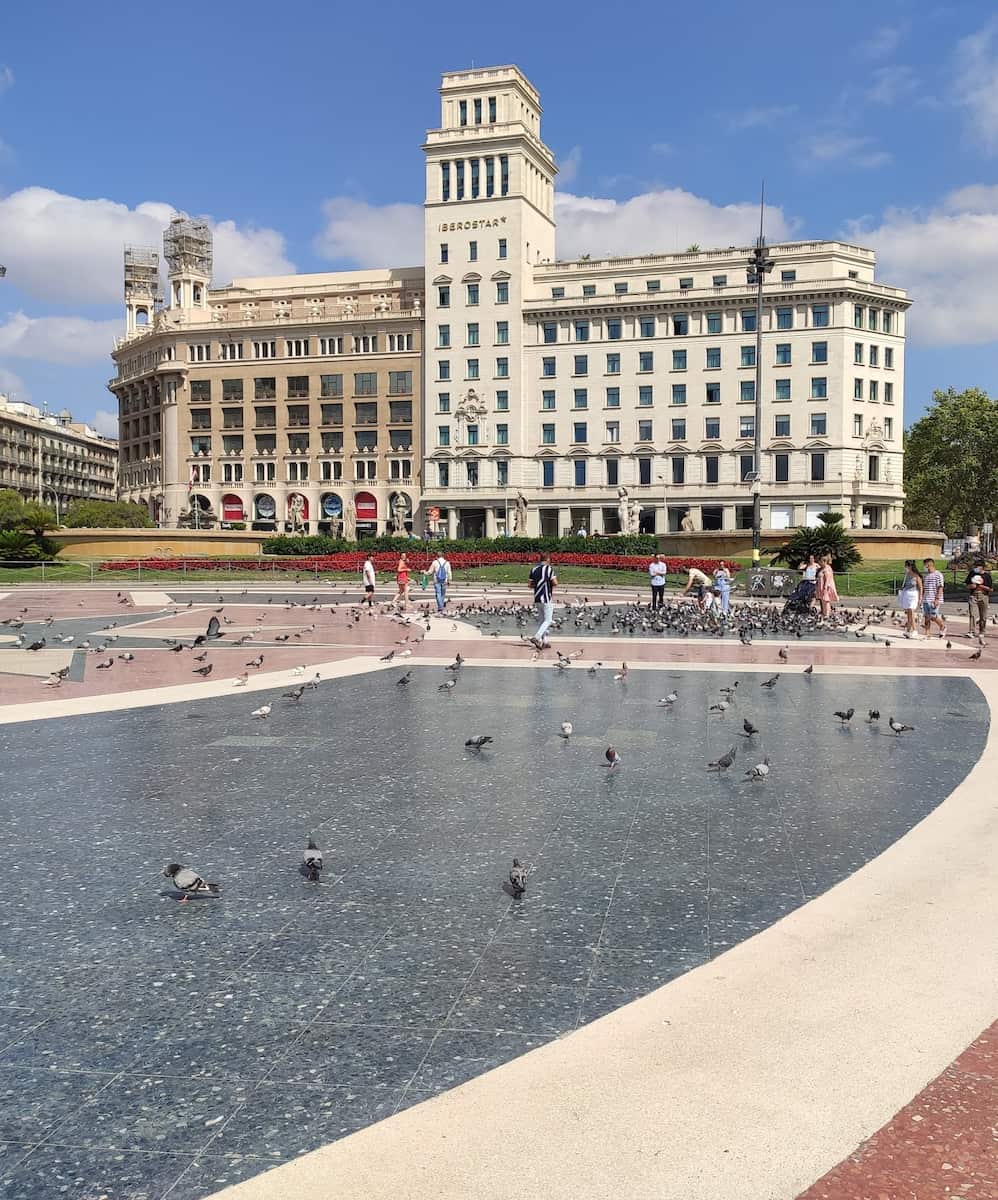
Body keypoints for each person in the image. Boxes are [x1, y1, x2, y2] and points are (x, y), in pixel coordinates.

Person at [529, 551, 557, 648]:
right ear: (548, 559)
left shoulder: (533, 569)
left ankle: (544, 641)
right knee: (548, 620)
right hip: (546, 598)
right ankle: (536, 637)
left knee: (542, 621)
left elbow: (530, 585)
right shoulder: (549, 569)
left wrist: (538, 584)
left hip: (537, 598)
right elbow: (555, 582)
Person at [964, 559, 993, 638]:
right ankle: (971, 631)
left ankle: (982, 631)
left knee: (983, 615)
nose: (976, 568)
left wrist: (981, 586)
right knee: (972, 614)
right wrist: (971, 586)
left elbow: (991, 589)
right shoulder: (972, 574)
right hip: (973, 596)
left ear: (982, 567)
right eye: (975, 566)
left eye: (978, 566)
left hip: (984, 596)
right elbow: (967, 584)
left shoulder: (987, 576)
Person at [897, 559, 923, 638]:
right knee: (909, 613)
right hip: (906, 594)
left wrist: (920, 597)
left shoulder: (916, 576)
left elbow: (921, 587)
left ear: (910, 566)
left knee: (911, 610)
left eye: (906, 566)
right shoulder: (906, 575)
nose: (905, 567)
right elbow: (904, 585)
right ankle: (908, 630)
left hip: (914, 594)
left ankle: (915, 630)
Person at [921, 557, 947, 638]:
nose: (924, 567)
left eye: (925, 565)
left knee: (933, 616)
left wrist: (937, 599)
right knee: (926, 616)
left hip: (934, 599)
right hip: (926, 599)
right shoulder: (926, 576)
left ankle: (942, 626)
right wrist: (922, 598)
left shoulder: (938, 575)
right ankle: (927, 633)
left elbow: (940, 587)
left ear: (929, 565)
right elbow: (924, 588)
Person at [815, 553, 839, 618]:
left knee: (826, 600)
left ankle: (827, 614)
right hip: (821, 586)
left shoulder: (827, 568)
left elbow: (828, 579)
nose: (819, 563)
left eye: (820, 562)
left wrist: (825, 587)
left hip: (825, 587)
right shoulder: (822, 568)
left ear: (824, 561)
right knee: (823, 600)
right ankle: (824, 613)